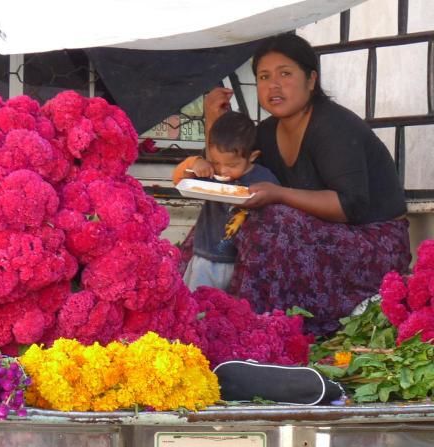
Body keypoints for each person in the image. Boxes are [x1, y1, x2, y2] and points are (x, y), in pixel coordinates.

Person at [178, 33, 411, 336]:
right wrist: (213, 121)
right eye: (264, 76)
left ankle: (256, 327)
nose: (274, 85)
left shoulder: (334, 126)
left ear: (311, 80)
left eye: (285, 74)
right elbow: (230, 171)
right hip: (314, 233)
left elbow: (349, 206)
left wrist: (280, 194)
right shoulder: (265, 133)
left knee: (273, 218)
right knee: (221, 210)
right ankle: (192, 305)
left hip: (374, 242)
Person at [173, 111, 279, 291]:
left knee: (233, 310)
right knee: (199, 308)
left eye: (231, 165)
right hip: (205, 256)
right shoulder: (210, 172)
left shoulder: (262, 178)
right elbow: (179, 180)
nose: (222, 171)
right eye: (216, 162)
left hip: (242, 261)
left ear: (251, 157)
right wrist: (195, 163)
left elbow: (276, 208)